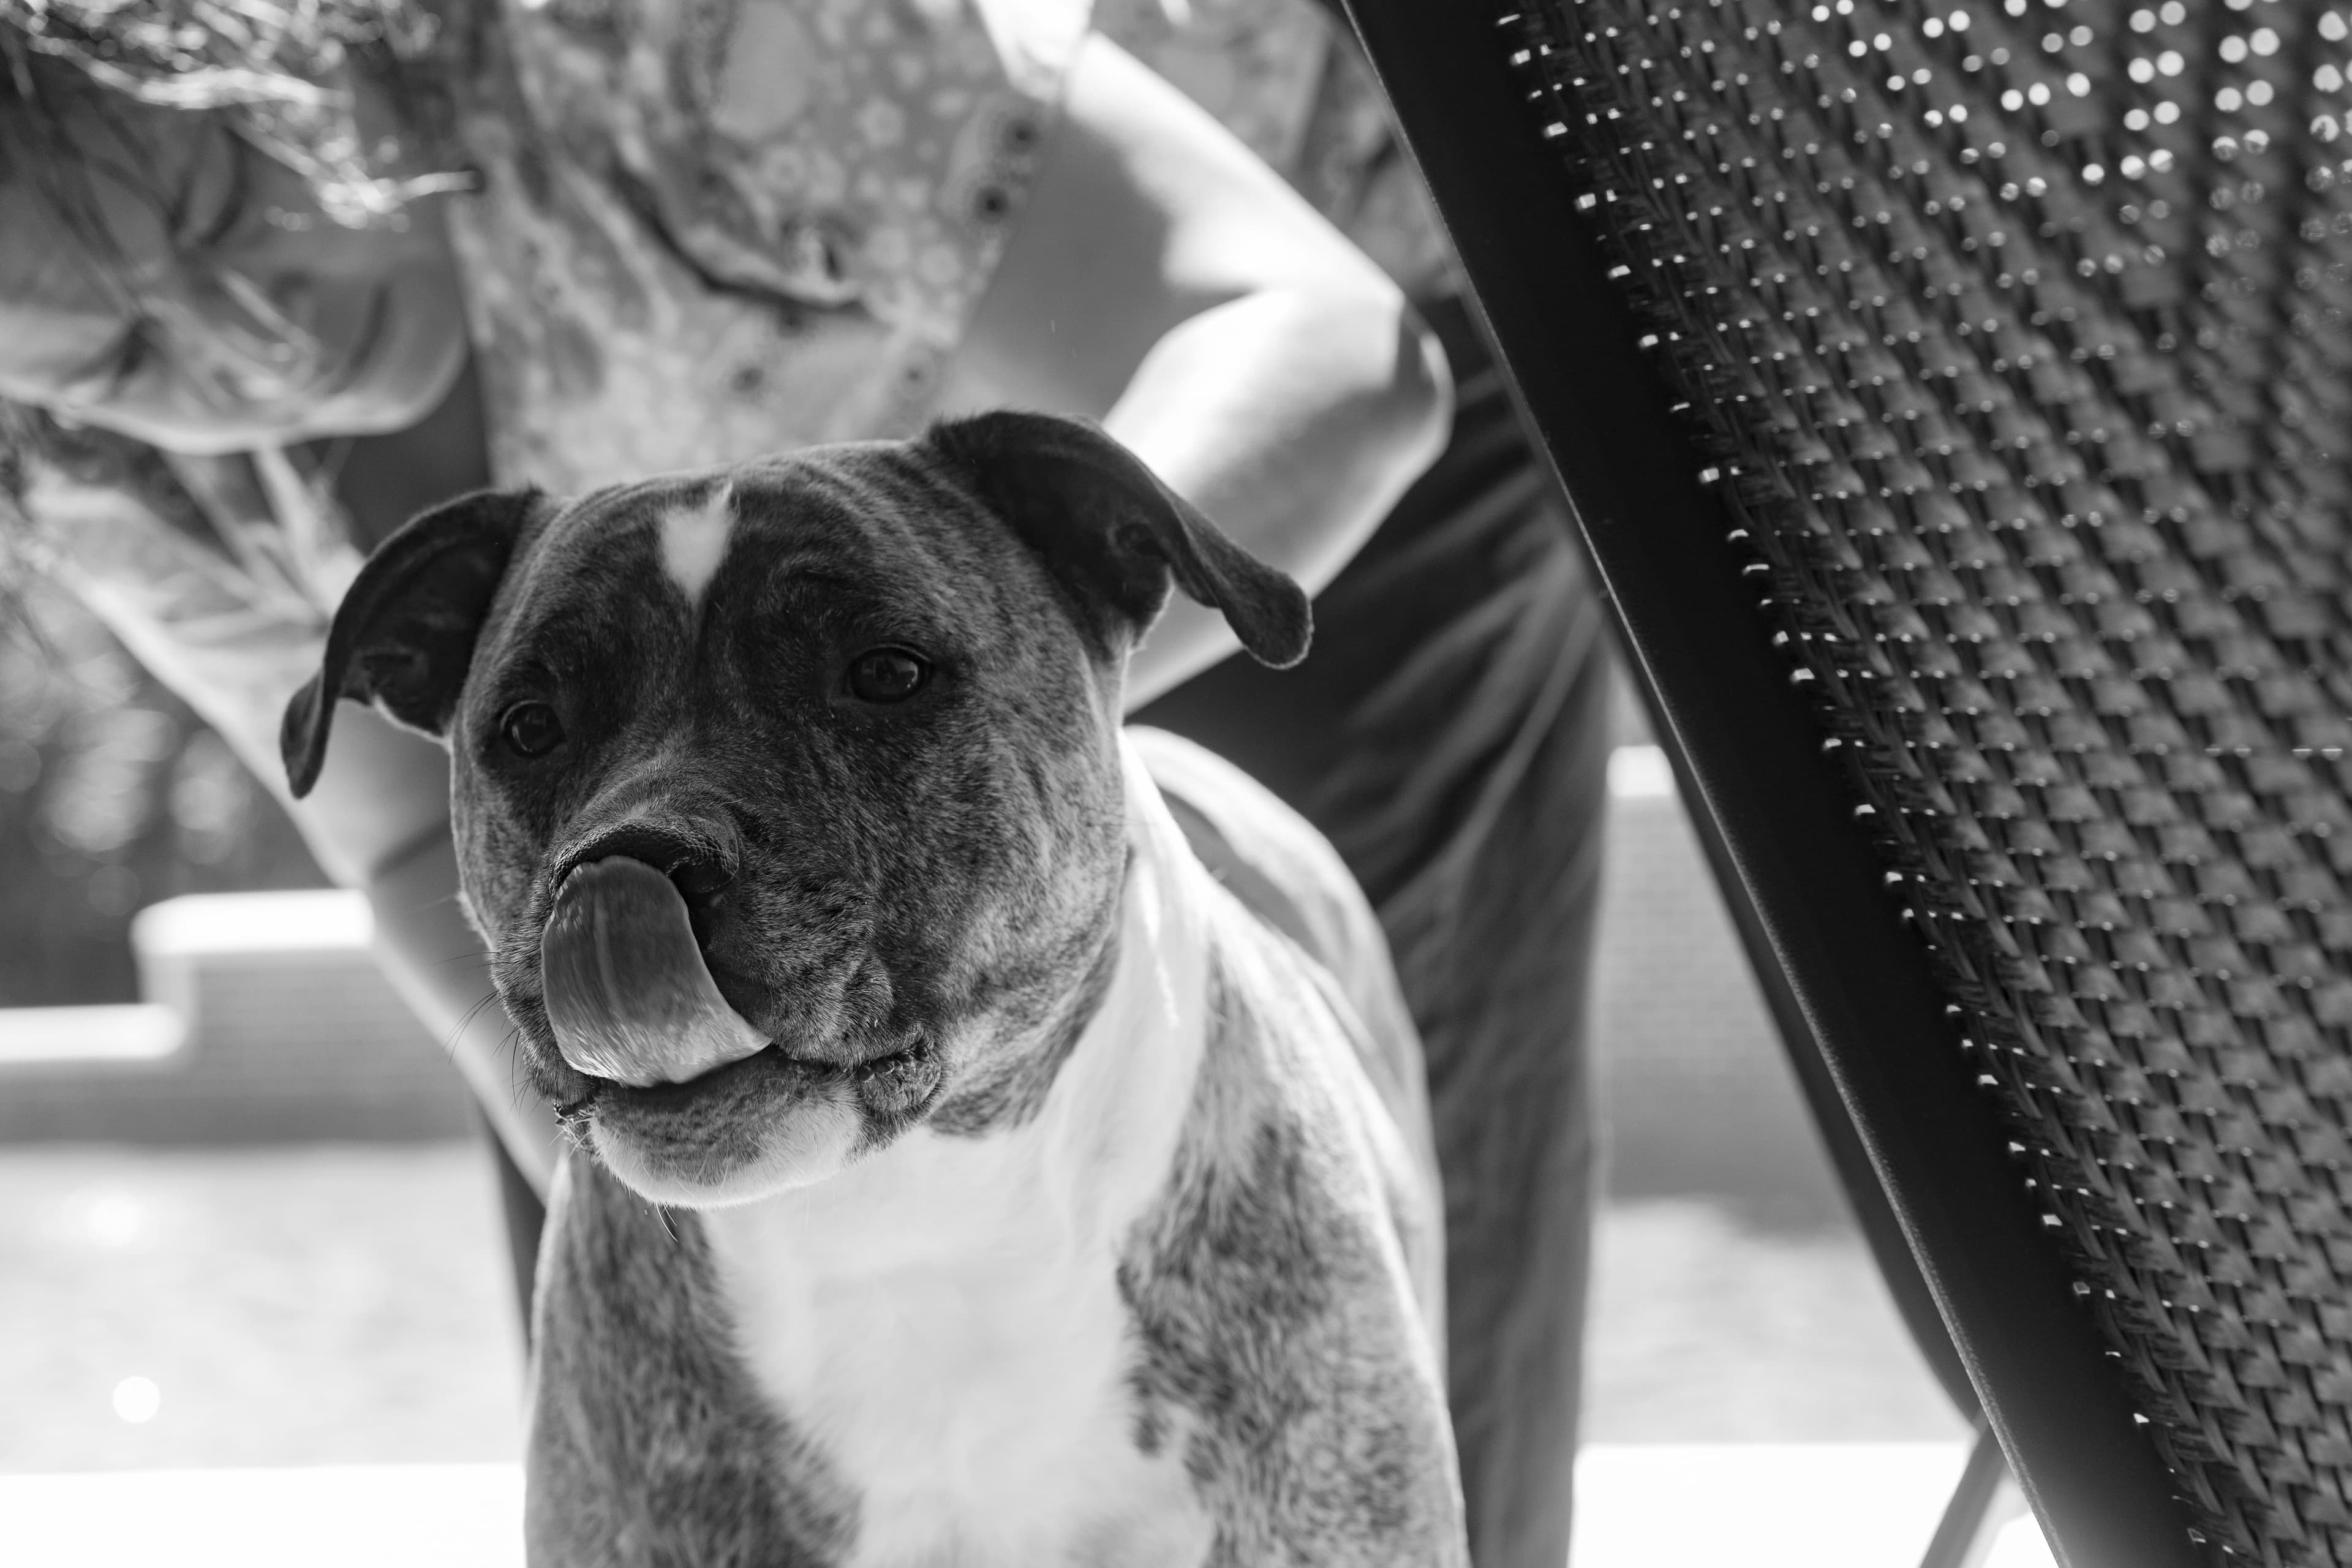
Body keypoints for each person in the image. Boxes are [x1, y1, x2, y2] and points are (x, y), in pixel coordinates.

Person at [0, 4, 1610, 1564]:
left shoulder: (670, 46)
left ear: (281, 45)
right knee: (662, 1317)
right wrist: (650, 1147)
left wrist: (963, 710)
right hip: (899, 711)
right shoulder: (110, 468)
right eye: (129, 347)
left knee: (1317, 1308)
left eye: (214, 215)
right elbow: (417, 838)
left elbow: (1326, 347)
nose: (248, 349)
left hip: (1250, 481)